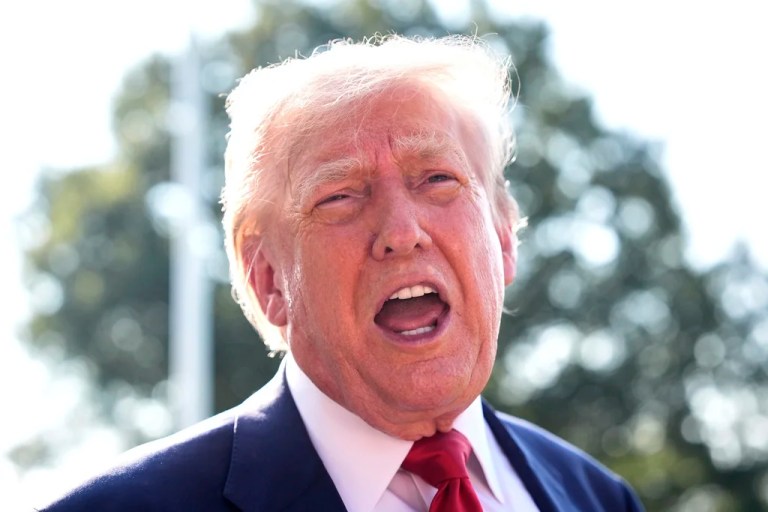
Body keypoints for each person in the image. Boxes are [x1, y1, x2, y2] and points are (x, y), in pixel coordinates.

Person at [39, 34, 644, 511]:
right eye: (340, 196)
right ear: (270, 280)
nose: (402, 231)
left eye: (437, 178)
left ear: (504, 238)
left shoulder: (598, 498)